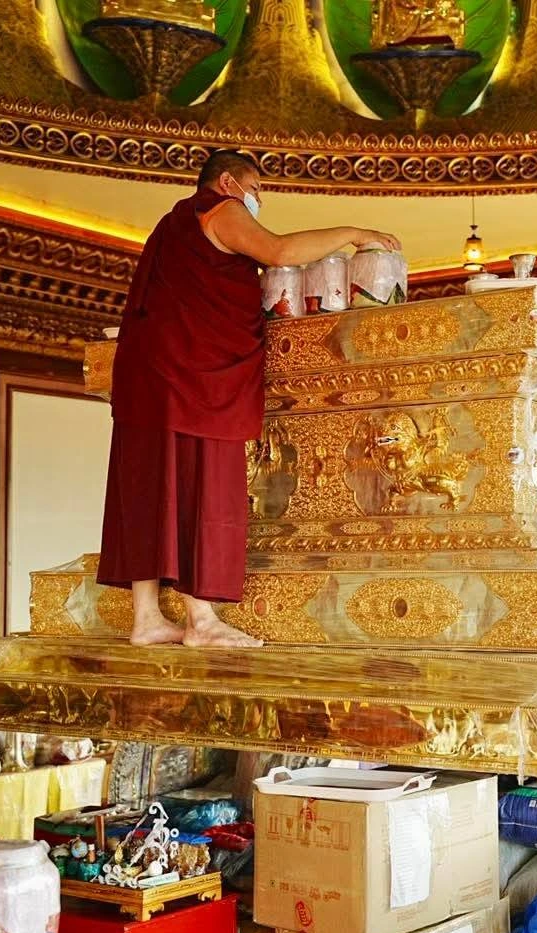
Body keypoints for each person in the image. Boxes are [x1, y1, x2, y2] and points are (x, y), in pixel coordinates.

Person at [99, 149, 400, 647]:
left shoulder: (171, 227)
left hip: (152, 373)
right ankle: (201, 620)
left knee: (150, 485)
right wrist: (353, 233)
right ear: (228, 182)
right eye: (256, 188)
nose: (259, 198)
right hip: (193, 377)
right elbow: (278, 252)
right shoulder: (219, 209)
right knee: (202, 480)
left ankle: (146, 618)